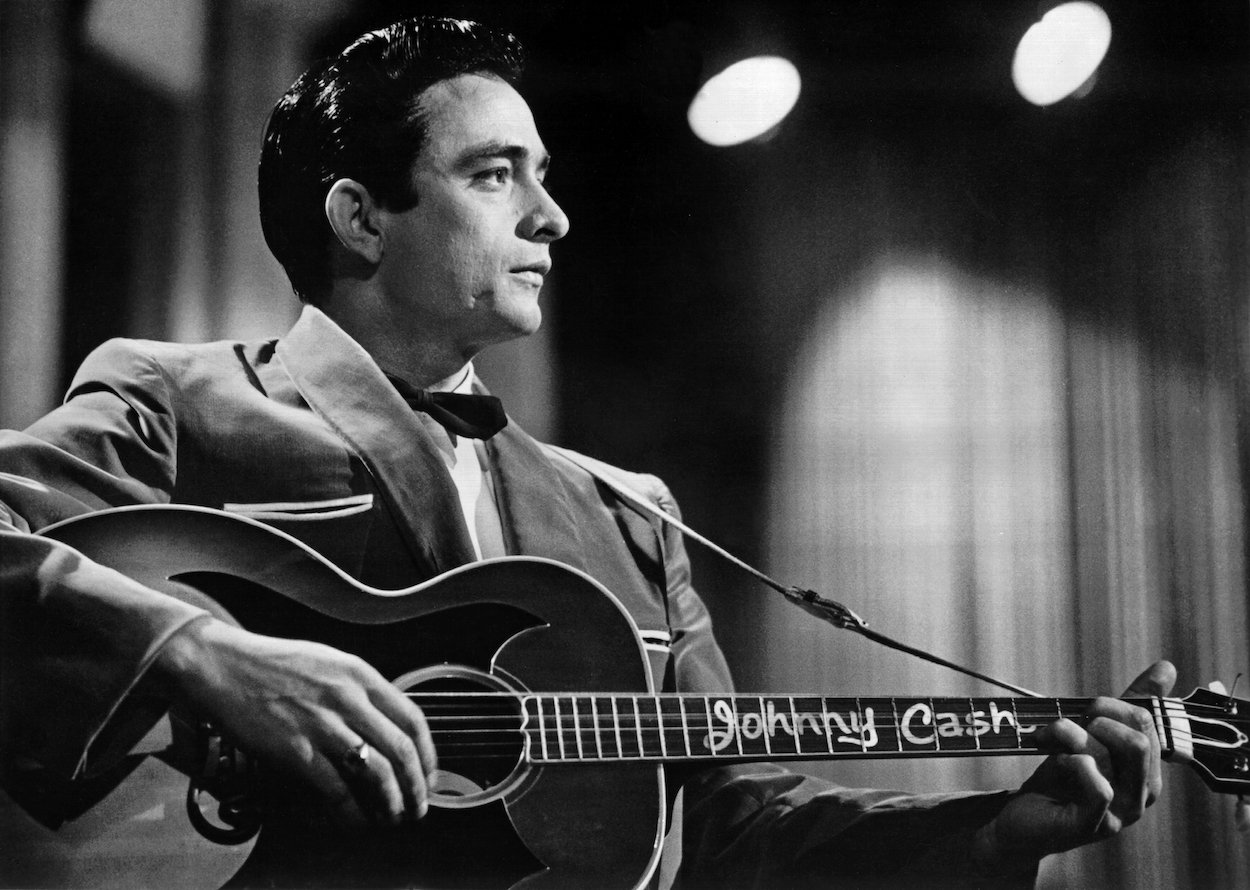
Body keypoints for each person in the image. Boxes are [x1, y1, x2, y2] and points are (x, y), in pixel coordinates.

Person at [0, 15, 1175, 889]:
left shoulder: (625, 513)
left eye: (546, 177)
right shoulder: (172, 399)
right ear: (360, 215)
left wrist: (993, 833)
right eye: (494, 174)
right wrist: (208, 655)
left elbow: (719, 821)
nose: (550, 217)